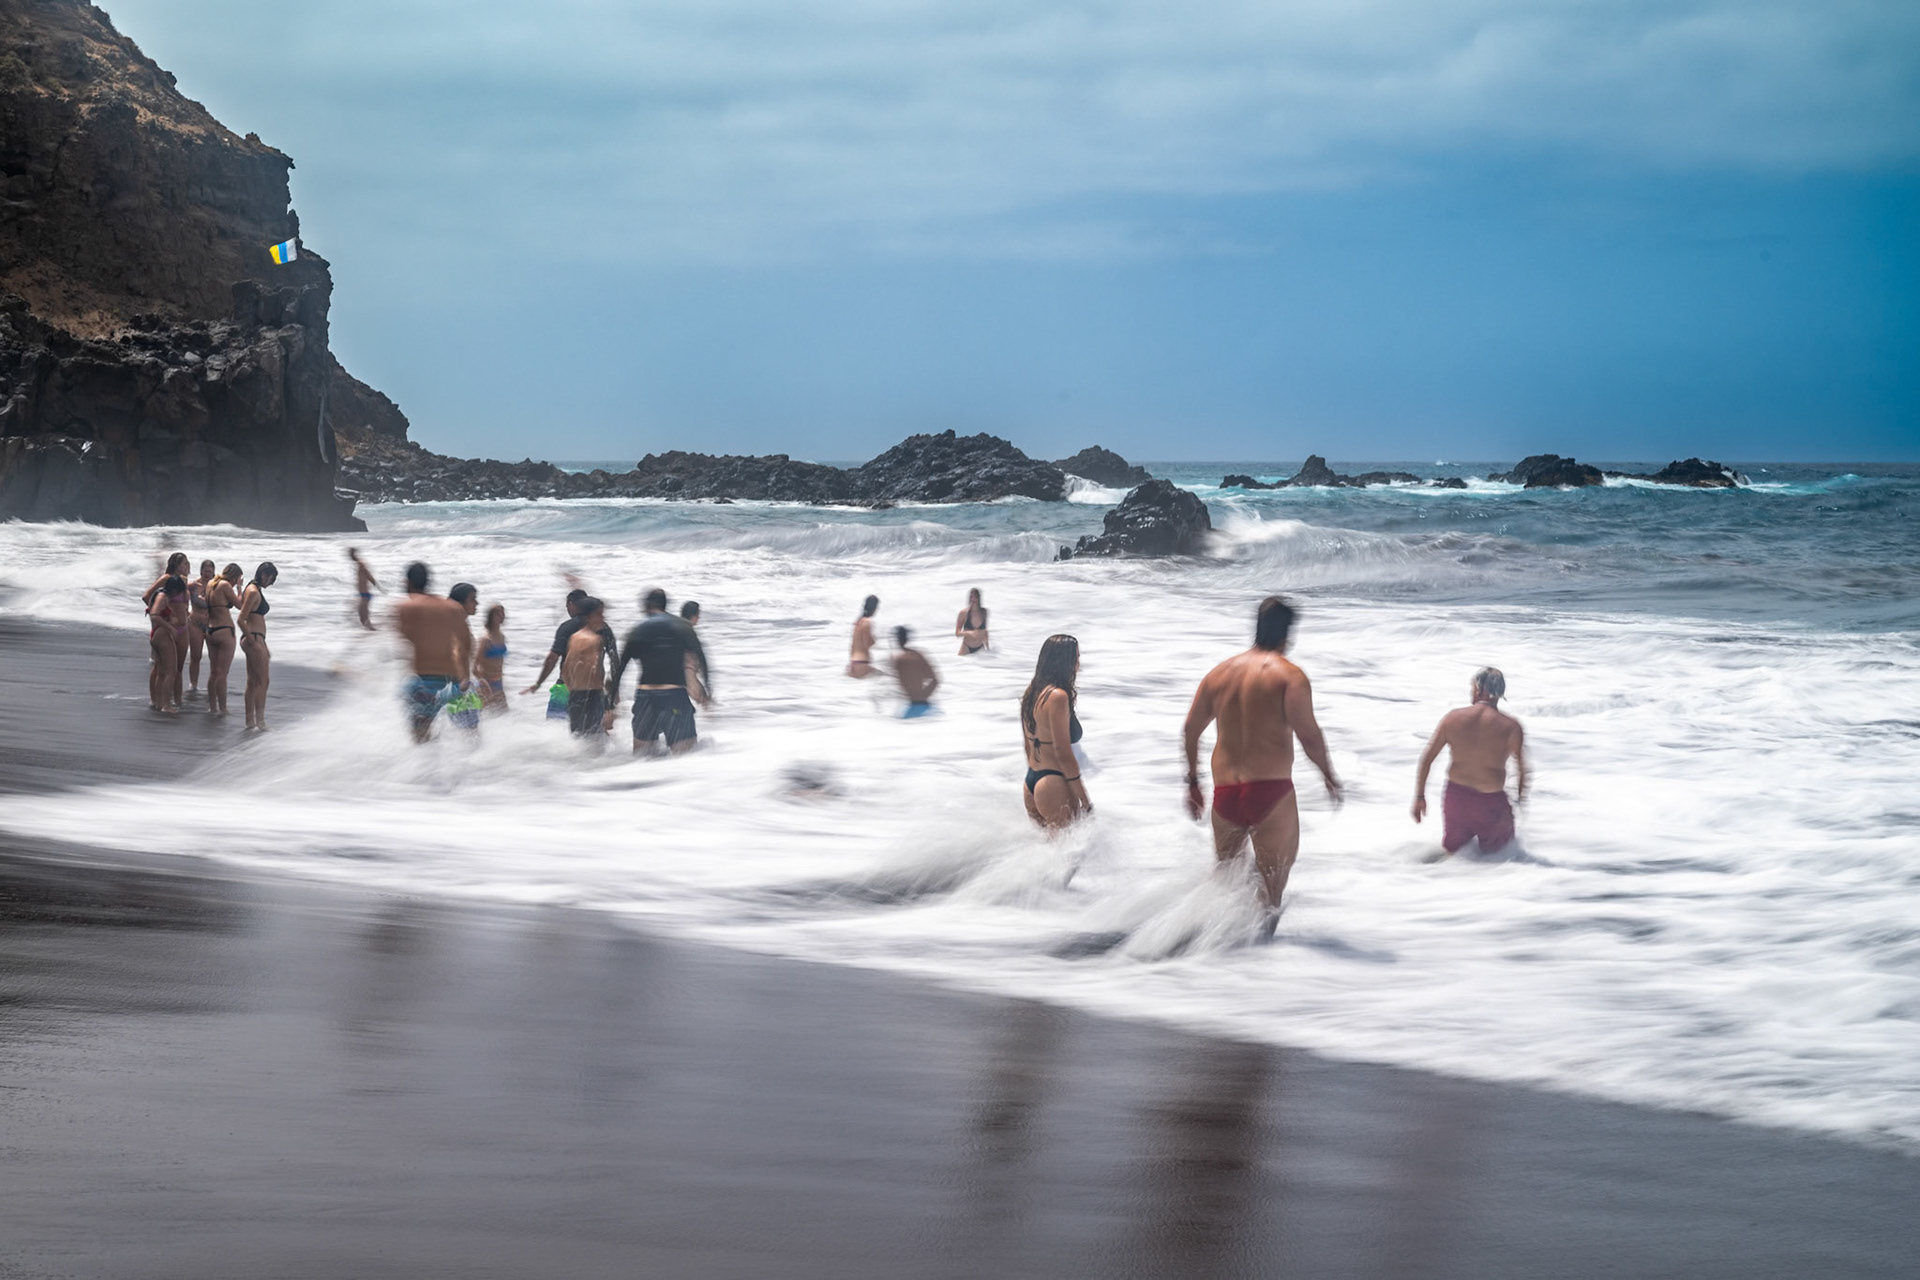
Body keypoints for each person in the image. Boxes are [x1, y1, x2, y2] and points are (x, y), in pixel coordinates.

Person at [1181, 596, 1341, 918]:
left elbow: (1190, 730)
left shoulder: (1218, 674)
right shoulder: (1289, 675)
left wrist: (1193, 783)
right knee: (1269, 898)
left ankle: (1211, 952)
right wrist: (1328, 775)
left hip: (1225, 796)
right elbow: (1308, 735)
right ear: (1287, 634)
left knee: (1225, 885)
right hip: (1271, 793)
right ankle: (1259, 957)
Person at [1413, 667, 1528, 857]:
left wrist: (1419, 798)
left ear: (1479, 689)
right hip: (1491, 806)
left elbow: (1427, 758)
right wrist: (1519, 801)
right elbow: (1522, 770)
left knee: (1455, 858)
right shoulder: (1511, 727)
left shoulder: (1452, 718)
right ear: (1498, 694)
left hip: (1456, 800)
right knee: (1500, 862)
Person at [612, 588, 710, 754]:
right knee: (686, 758)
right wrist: (708, 689)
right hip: (674, 696)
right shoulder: (683, 628)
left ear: (646, 606)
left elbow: (620, 668)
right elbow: (702, 658)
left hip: (645, 699)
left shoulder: (637, 630)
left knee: (642, 758)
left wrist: (610, 704)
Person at [395, 562, 473, 742]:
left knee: (421, 741)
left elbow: (406, 642)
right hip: (453, 684)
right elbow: (466, 646)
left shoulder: (407, 608)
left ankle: (428, 769)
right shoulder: (453, 608)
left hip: (425, 685)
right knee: (468, 736)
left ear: (407, 582)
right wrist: (464, 680)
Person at [1020, 634, 1092, 829]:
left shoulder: (1032, 691)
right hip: (1053, 783)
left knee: (1047, 852)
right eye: (1076, 658)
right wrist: (1084, 800)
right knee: (1070, 857)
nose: (1078, 664)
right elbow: (1062, 751)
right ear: (1065, 661)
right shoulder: (1057, 697)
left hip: (1031, 783)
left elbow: (1027, 746)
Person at [524, 588, 618, 701]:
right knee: (593, 719)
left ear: (571, 604)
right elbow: (614, 660)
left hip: (565, 687)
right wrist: (615, 689)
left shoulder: (566, 628)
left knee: (556, 719)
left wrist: (539, 683)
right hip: (594, 690)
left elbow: (552, 658)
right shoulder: (604, 629)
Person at [142, 552, 191, 710]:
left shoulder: (183, 582)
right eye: (183, 563)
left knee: (177, 668)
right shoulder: (166, 580)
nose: (186, 566)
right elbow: (147, 596)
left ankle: (176, 699)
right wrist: (162, 616)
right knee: (161, 667)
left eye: (187, 563)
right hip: (165, 629)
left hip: (182, 628)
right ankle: (157, 700)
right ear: (175, 565)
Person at [562, 597, 616, 738]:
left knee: (578, 739)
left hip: (574, 696)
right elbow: (595, 672)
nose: (603, 617)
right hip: (591, 697)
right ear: (588, 617)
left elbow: (566, 669)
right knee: (597, 743)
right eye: (599, 614)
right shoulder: (595, 639)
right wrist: (607, 707)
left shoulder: (574, 638)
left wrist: (572, 690)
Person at [238, 562, 279, 732]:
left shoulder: (251, 588)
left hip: (256, 638)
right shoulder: (254, 592)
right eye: (271, 579)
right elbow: (240, 619)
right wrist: (254, 642)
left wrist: (261, 643)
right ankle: (260, 722)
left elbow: (242, 606)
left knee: (253, 681)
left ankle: (250, 721)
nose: (271, 583)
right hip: (253, 638)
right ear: (264, 575)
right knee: (263, 681)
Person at [202, 563, 242, 717]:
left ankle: (212, 707)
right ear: (235, 576)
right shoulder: (225, 585)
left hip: (210, 631)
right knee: (222, 674)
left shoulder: (211, 584)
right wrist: (239, 588)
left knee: (213, 672)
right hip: (224, 630)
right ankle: (223, 708)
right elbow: (240, 605)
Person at [891, 625, 939, 718]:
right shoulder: (918, 655)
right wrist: (924, 695)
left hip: (914, 705)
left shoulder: (899, 660)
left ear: (897, 640)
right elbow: (935, 680)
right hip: (922, 704)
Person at [186, 560, 215, 694]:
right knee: (196, 656)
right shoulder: (193, 585)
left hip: (211, 624)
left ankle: (213, 684)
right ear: (201, 571)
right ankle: (193, 684)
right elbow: (183, 601)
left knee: (214, 657)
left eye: (210, 571)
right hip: (195, 623)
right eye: (205, 571)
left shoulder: (216, 586)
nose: (208, 574)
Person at [475, 604, 509, 713]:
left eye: (503, 613)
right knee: (485, 716)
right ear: (491, 617)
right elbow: (475, 667)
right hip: (487, 683)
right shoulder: (485, 640)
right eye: (498, 613)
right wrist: (483, 685)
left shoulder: (502, 637)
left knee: (504, 715)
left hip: (499, 682)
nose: (502, 616)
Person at [679, 600, 711, 702]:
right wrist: (707, 685)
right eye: (698, 614)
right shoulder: (689, 632)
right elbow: (701, 657)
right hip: (682, 676)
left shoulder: (673, 627)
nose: (699, 618)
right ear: (693, 616)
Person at [349, 548, 380, 631]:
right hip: (362, 592)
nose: (349, 556)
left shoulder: (361, 563)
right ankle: (368, 629)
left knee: (363, 612)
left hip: (365, 593)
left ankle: (370, 628)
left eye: (350, 554)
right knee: (361, 612)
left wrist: (375, 583)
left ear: (354, 554)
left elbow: (368, 574)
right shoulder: (359, 564)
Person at [848, 595, 879, 678]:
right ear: (874, 608)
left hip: (853, 664)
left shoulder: (857, 622)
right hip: (862, 664)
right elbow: (867, 643)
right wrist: (874, 640)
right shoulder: (867, 622)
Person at [955, 588, 990, 655]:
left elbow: (985, 632)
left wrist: (988, 648)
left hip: (980, 647)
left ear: (979, 598)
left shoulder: (984, 612)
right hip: (966, 648)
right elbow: (957, 633)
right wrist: (969, 633)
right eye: (971, 597)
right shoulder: (963, 613)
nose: (973, 600)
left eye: (975, 597)